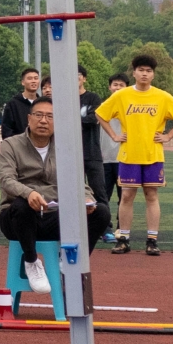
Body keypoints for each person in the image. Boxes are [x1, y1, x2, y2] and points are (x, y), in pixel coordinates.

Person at [0, 97, 111, 292]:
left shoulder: (65, 148)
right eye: (39, 115)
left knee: (101, 212)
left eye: (50, 117)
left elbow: (77, 181)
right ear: (29, 118)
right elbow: (7, 180)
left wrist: (86, 198)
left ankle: (68, 262)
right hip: (18, 220)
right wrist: (29, 193)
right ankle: (31, 262)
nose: (44, 121)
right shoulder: (11, 145)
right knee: (22, 205)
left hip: (54, 216)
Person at [95, 54, 173, 256]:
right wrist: (114, 135)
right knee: (127, 195)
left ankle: (152, 240)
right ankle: (123, 239)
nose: (145, 74)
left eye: (149, 71)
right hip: (129, 154)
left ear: (153, 75)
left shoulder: (162, 96)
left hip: (152, 154)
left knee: (151, 195)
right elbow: (100, 114)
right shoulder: (122, 95)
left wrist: (169, 136)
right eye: (141, 70)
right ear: (134, 72)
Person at [76, 68, 108, 238]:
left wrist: (72, 120)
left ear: (84, 79)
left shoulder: (93, 98)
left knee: (98, 191)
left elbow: (94, 118)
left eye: (78, 76)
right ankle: (77, 226)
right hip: (72, 155)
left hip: (92, 152)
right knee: (74, 191)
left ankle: (105, 228)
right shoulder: (64, 98)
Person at [98, 73, 128, 236]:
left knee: (125, 196)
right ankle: (104, 227)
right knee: (103, 196)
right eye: (115, 84)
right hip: (104, 158)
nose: (117, 88)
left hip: (124, 159)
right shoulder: (102, 107)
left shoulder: (130, 108)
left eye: (121, 85)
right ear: (109, 87)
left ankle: (121, 228)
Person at [0, 68, 41, 141]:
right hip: (19, 145)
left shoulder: (42, 104)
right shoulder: (13, 104)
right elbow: (7, 130)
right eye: (30, 78)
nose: (33, 81)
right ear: (22, 82)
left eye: (36, 78)